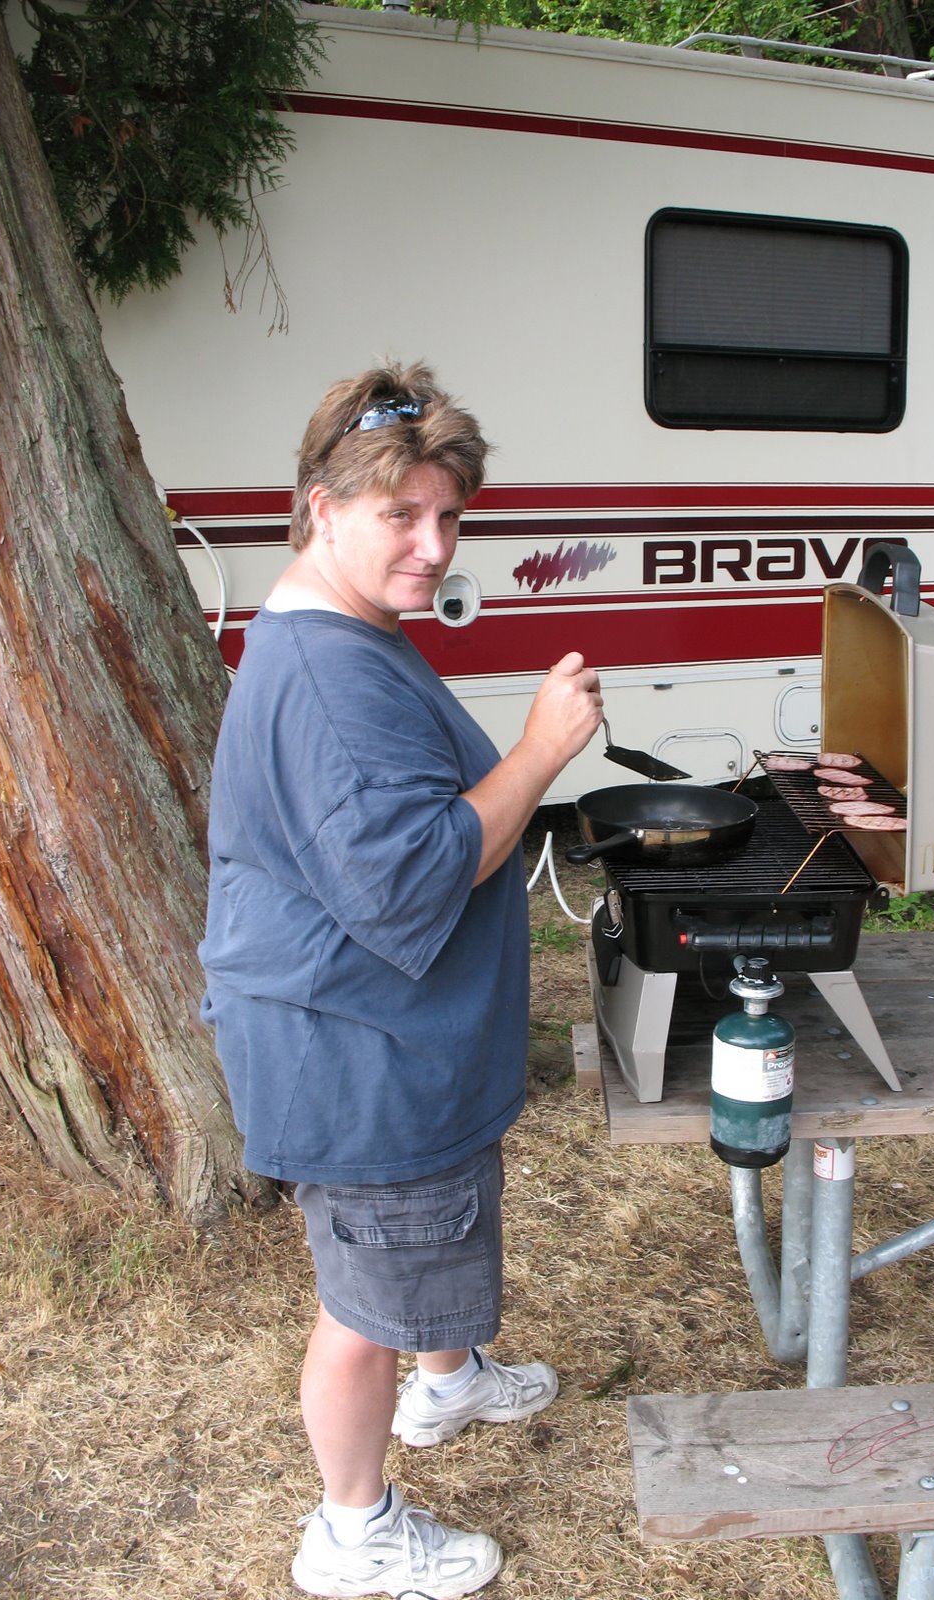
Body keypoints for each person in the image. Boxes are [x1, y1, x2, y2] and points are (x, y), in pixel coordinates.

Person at [199, 361, 603, 1599]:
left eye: (449, 516)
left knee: (421, 1240)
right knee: (366, 1298)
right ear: (321, 508)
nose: (435, 547)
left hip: (384, 1030)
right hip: (355, 1050)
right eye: (401, 516)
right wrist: (541, 750)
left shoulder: (341, 624)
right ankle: (352, 1530)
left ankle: (449, 1378)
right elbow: (411, 881)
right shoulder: (327, 675)